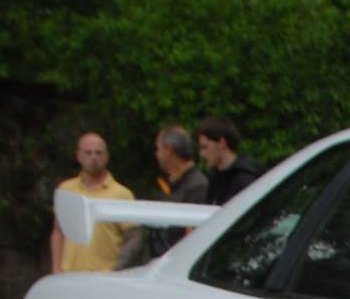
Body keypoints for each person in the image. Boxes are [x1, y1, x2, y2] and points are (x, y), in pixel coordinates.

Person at [116, 125, 211, 267]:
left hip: (176, 268)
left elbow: (193, 238)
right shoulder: (171, 184)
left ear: (169, 150)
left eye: (158, 148)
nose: (156, 153)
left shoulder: (196, 186)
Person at [50, 133, 135, 272]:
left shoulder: (122, 194)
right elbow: (58, 231)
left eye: (98, 153)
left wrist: (117, 270)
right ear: (78, 155)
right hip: (69, 275)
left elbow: (134, 238)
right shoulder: (65, 189)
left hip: (105, 277)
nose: (93, 157)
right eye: (88, 152)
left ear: (107, 156)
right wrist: (56, 269)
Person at [196, 117, 263, 204]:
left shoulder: (246, 179)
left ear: (221, 143)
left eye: (205, 147)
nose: (202, 154)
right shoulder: (215, 177)